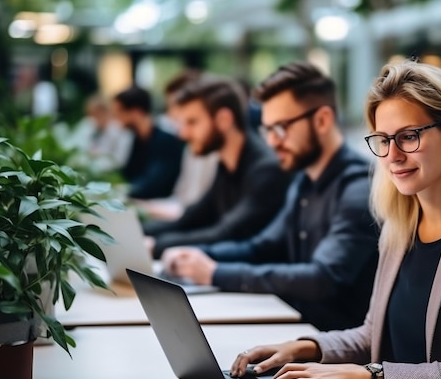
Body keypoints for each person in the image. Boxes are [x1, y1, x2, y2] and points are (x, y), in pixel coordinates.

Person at [228, 60, 441, 379]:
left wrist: (367, 376)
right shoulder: (400, 228)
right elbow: (373, 335)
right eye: (383, 140)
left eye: (409, 136)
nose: (393, 155)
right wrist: (305, 347)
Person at [160, 61, 379, 331]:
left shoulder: (358, 188)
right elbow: (261, 247)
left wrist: (215, 272)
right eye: (268, 130)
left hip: (336, 353)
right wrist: (196, 255)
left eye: (281, 128)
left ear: (322, 120)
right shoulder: (304, 180)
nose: (272, 142)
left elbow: (323, 278)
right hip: (296, 332)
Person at [143, 76, 291, 258]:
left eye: (193, 122)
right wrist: (135, 234)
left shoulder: (267, 170)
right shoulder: (226, 165)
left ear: (224, 119)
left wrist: (156, 245)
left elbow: (226, 233)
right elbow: (190, 220)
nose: (183, 134)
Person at [133, 71, 219, 220]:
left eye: (175, 105)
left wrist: (146, 208)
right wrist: (144, 206)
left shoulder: (211, 151)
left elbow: (194, 209)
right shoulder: (190, 148)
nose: (171, 114)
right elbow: (181, 198)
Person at [113, 86, 186, 200]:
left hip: (162, 205)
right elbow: (128, 174)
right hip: (141, 202)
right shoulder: (137, 139)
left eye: (119, 112)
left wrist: (120, 191)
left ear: (136, 112)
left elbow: (154, 183)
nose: (116, 118)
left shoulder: (165, 141)